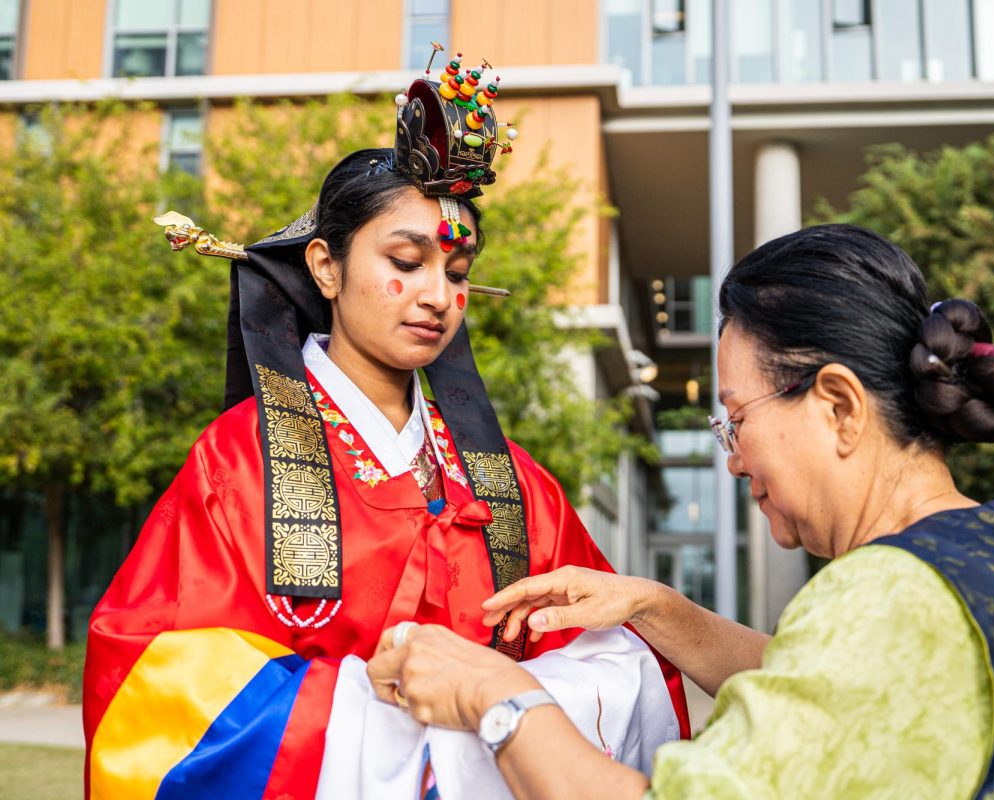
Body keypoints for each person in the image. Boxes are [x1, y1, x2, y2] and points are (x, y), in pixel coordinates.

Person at [83, 57, 687, 800]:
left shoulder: (513, 487)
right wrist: (412, 729)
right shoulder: (240, 464)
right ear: (325, 268)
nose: (438, 294)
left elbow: (623, 660)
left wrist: (486, 702)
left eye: (458, 272)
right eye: (406, 260)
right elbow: (150, 683)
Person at [368, 224, 994, 799]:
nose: (732, 459)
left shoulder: (887, 593)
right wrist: (652, 606)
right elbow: (835, 686)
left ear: (838, 405)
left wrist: (494, 696)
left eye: (736, 419)